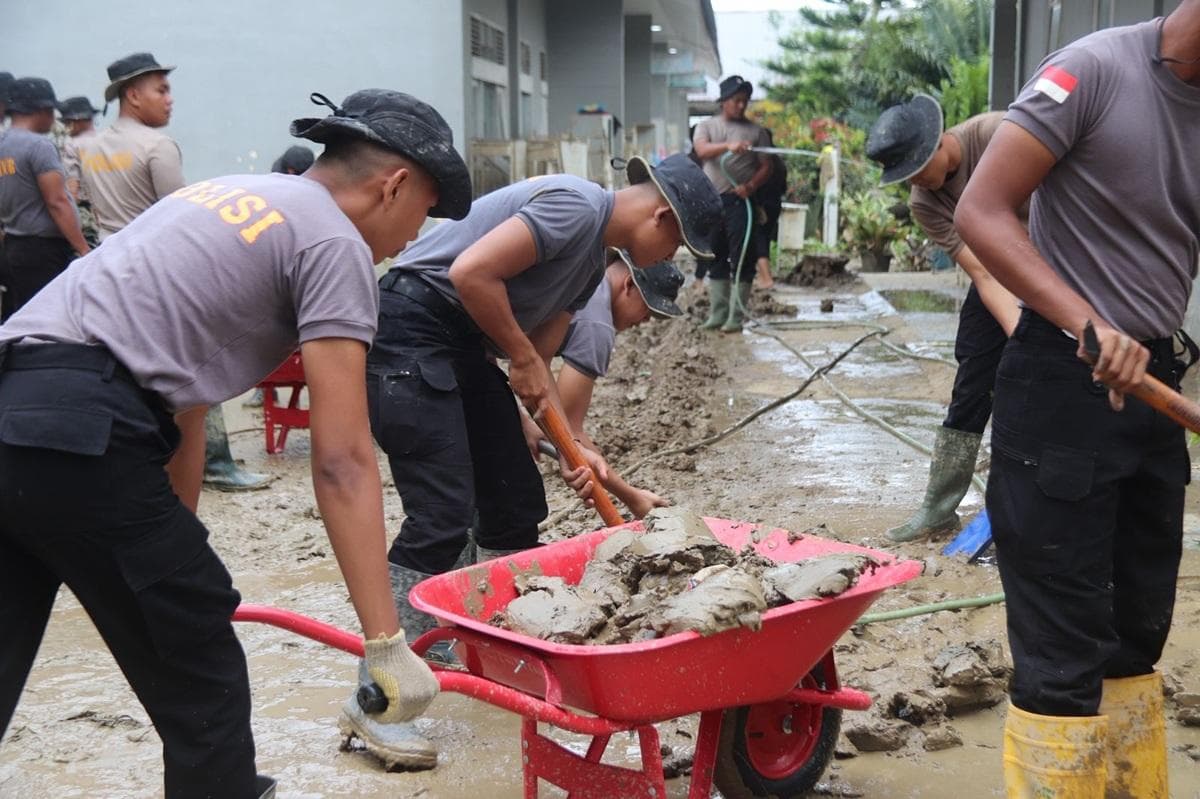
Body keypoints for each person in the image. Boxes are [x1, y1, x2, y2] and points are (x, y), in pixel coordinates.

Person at [0, 88, 470, 799]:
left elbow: (183, 395)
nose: (415, 235)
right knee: (204, 667)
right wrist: (385, 642)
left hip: (16, 404)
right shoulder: (334, 243)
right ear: (394, 184)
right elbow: (343, 462)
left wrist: (171, 547)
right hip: (85, 427)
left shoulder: (229, 193)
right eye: (423, 212)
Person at [346, 152, 721, 768]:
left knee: (515, 499)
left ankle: (482, 646)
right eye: (677, 246)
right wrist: (521, 362)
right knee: (442, 513)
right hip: (412, 326)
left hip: (463, 347)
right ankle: (377, 701)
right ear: (659, 219)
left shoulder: (587, 268)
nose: (668, 260)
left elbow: (538, 369)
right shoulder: (576, 204)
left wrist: (570, 451)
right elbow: (471, 274)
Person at [955, 3, 1200, 795]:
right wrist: (1088, 323)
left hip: (1156, 392)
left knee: (1136, 636)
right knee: (1063, 657)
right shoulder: (1093, 72)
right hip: (1063, 382)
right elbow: (980, 211)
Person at [865, 96, 1025, 542]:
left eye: (916, 170)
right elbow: (981, 270)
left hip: (1060, 259)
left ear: (938, 144)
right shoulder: (925, 204)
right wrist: (1021, 332)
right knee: (975, 376)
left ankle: (1040, 501)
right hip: (998, 271)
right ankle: (938, 508)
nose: (915, 184)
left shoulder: (999, 134)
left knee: (1046, 381)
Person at [533, 247, 683, 517]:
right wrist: (631, 496)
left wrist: (522, 422)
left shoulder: (586, 275)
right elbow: (565, 432)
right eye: (648, 311)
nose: (644, 322)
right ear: (628, 284)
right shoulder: (597, 324)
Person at [0, 77, 90, 322]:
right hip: (43, 251)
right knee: (50, 320)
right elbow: (57, 201)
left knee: (19, 317)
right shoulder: (39, 146)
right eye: (52, 110)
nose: (54, 118)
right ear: (41, 110)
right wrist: (83, 249)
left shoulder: (4, 144)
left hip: (13, 246)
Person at [692, 74, 773, 332]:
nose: (741, 105)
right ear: (724, 101)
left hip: (741, 202)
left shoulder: (756, 132)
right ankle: (718, 314)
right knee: (715, 254)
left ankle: (736, 317)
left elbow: (766, 166)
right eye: (737, 100)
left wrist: (750, 186)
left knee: (742, 256)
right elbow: (702, 151)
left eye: (744, 101)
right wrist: (729, 146)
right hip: (713, 201)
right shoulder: (706, 126)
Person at [78, 52, 182, 240]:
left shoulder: (91, 149)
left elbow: (94, 212)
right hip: (148, 258)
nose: (170, 99)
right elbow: (179, 217)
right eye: (162, 91)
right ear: (134, 96)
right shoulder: (158, 146)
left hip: (106, 257)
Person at [57, 96, 101, 246]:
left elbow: (72, 188)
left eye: (67, 122)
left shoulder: (71, 145)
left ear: (77, 120)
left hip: (86, 212)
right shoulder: (106, 141)